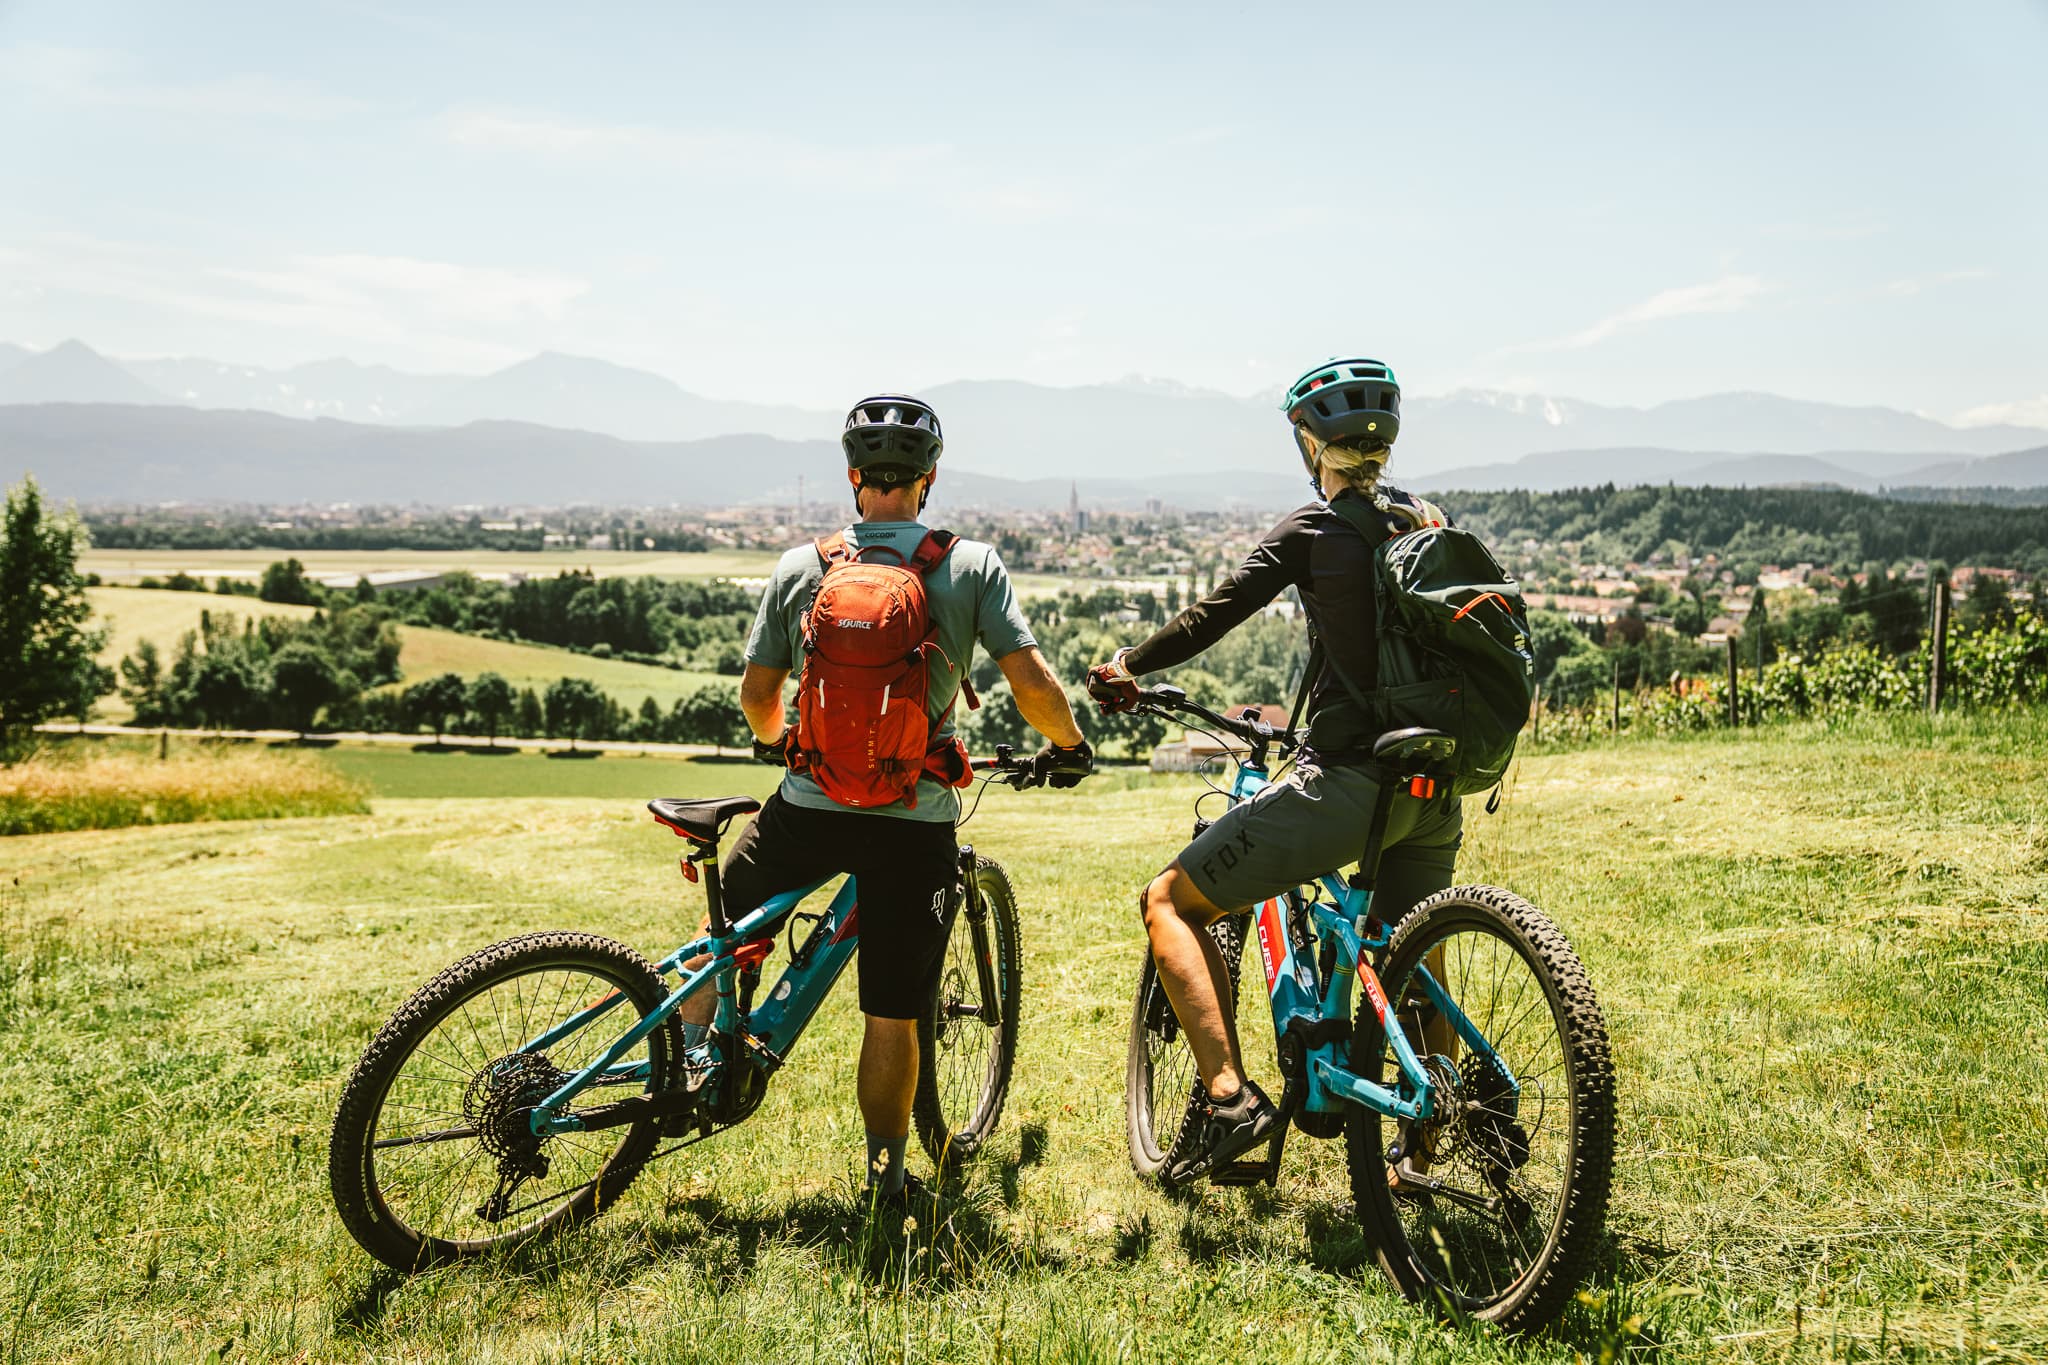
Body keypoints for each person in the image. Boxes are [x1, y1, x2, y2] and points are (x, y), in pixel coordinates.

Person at [681, 393, 1093, 1207]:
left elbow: (758, 691)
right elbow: (1034, 685)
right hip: (912, 822)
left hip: (805, 805)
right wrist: (1070, 745)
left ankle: (691, 1054)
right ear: (929, 478)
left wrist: (777, 739)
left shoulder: (804, 566)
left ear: (853, 475)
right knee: (893, 1013)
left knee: (718, 932)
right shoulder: (969, 565)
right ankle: (885, 1177)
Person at [1087, 357, 1460, 1186]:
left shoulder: (1313, 530)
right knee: (1412, 956)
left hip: (1350, 785)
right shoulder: (1429, 522)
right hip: (1431, 784)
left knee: (1167, 901)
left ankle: (1229, 1099)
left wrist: (1127, 665)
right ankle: (1439, 1141)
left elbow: (1212, 613)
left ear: (1308, 443)